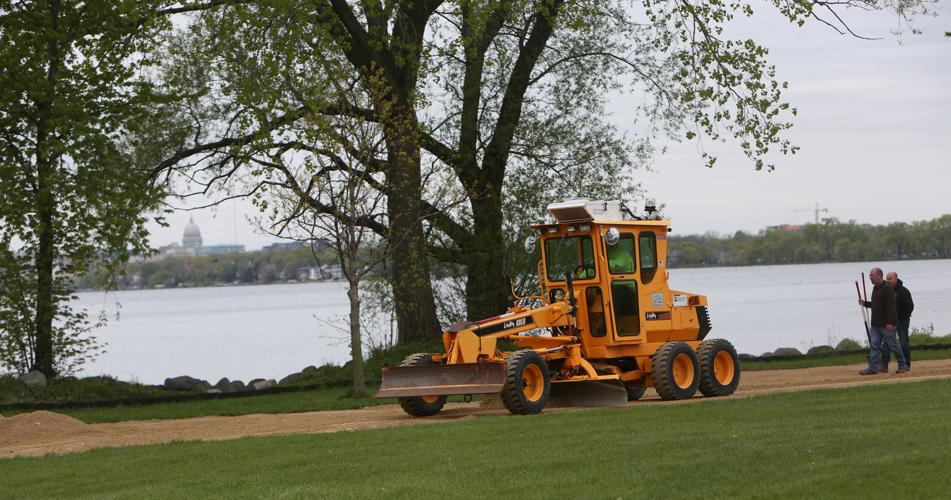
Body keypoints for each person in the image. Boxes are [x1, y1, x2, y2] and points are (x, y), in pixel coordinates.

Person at [858, 267, 908, 375]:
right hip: (875, 324)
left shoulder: (888, 287)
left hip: (887, 324)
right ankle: (872, 368)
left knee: (893, 345)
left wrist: (889, 322)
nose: (870, 277)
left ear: (879, 276)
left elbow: (891, 306)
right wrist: (865, 303)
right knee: (874, 345)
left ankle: (903, 365)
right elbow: (876, 305)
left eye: (872, 275)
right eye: (870, 275)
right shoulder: (875, 288)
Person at [880, 271, 914, 370]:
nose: (888, 281)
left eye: (890, 279)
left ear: (896, 279)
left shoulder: (903, 291)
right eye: (887, 279)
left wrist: (900, 319)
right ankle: (883, 365)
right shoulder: (885, 291)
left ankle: (906, 364)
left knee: (903, 342)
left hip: (902, 321)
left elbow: (910, 307)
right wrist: (866, 304)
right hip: (890, 322)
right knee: (886, 342)